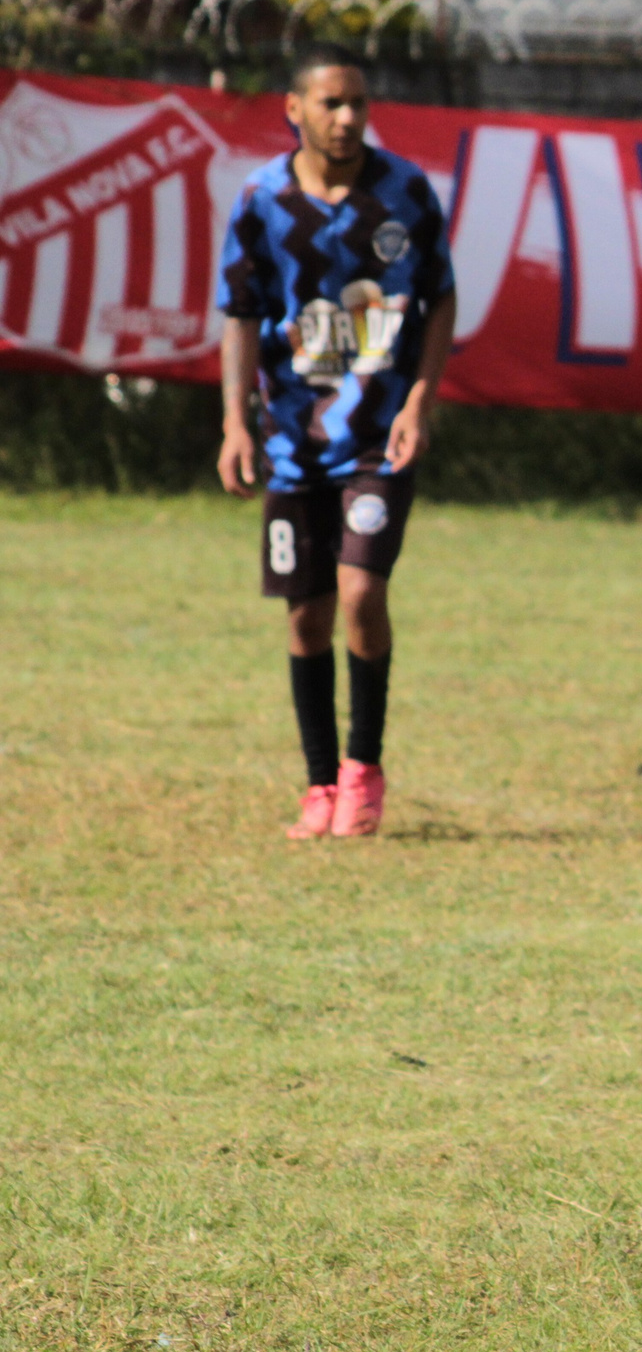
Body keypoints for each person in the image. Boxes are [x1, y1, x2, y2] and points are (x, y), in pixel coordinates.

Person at [215, 42, 456, 839]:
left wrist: (418, 400)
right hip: (292, 439)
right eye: (331, 103)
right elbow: (241, 314)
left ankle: (364, 769)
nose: (348, 118)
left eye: (358, 102)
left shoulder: (404, 193)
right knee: (305, 617)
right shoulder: (262, 200)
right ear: (295, 109)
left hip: (379, 436)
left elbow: (440, 298)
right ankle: (319, 783)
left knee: (360, 594)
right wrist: (235, 421)